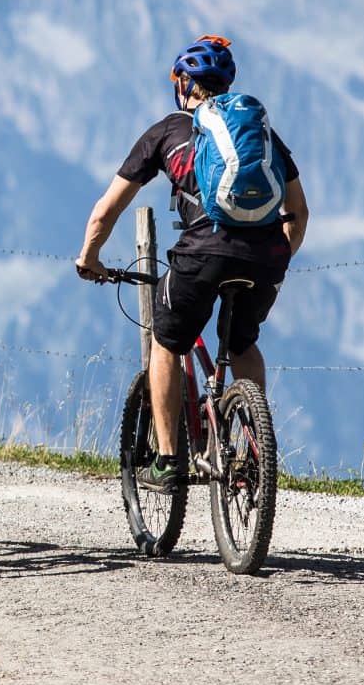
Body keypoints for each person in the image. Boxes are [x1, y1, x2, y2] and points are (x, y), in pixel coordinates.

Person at [75, 36, 307, 490]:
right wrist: (277, 260)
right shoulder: (260, 135)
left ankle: (167, 461)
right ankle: (252, 446)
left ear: (183, 84)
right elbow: (299, 212)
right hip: (265, 258)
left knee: (167, 341)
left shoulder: (168, 131)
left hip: (202, 253)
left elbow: (107, 210)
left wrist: (90, 257)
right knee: (241, 344)